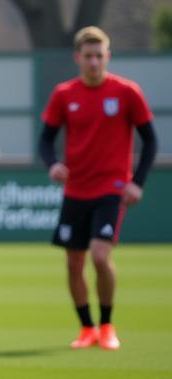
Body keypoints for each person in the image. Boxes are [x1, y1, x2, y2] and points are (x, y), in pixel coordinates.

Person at [39, 26, 157, 351]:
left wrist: (137, 182)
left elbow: (150, 139)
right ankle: (86, 327)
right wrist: (52, 165)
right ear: (78, 58)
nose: (93, 62)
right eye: (87, 56)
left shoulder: (126, 92)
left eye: (99, 55)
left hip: (112, 188)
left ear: (108, 56)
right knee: (73, 263)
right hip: (75, 190)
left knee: (100, 256)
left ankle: (106, 324)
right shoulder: (64, 94)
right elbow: (45, 139)